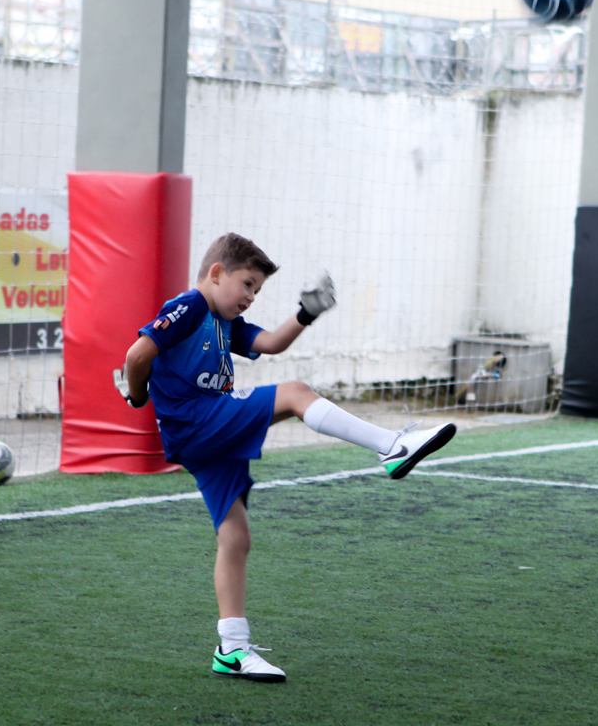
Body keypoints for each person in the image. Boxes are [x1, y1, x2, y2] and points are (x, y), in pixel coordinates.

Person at [114, 232, 457, 683]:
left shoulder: (222, 322)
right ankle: (392, 447)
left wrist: (306, 313)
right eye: (248, 284)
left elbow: (272, 344)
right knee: (295, 394)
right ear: (217, 274)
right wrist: (138, 397)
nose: (252, 297)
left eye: (258, 290)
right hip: (196, 422)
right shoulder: (192, 306)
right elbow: (137, 354)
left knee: (235, 537)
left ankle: (232, 650)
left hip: (205, 435)